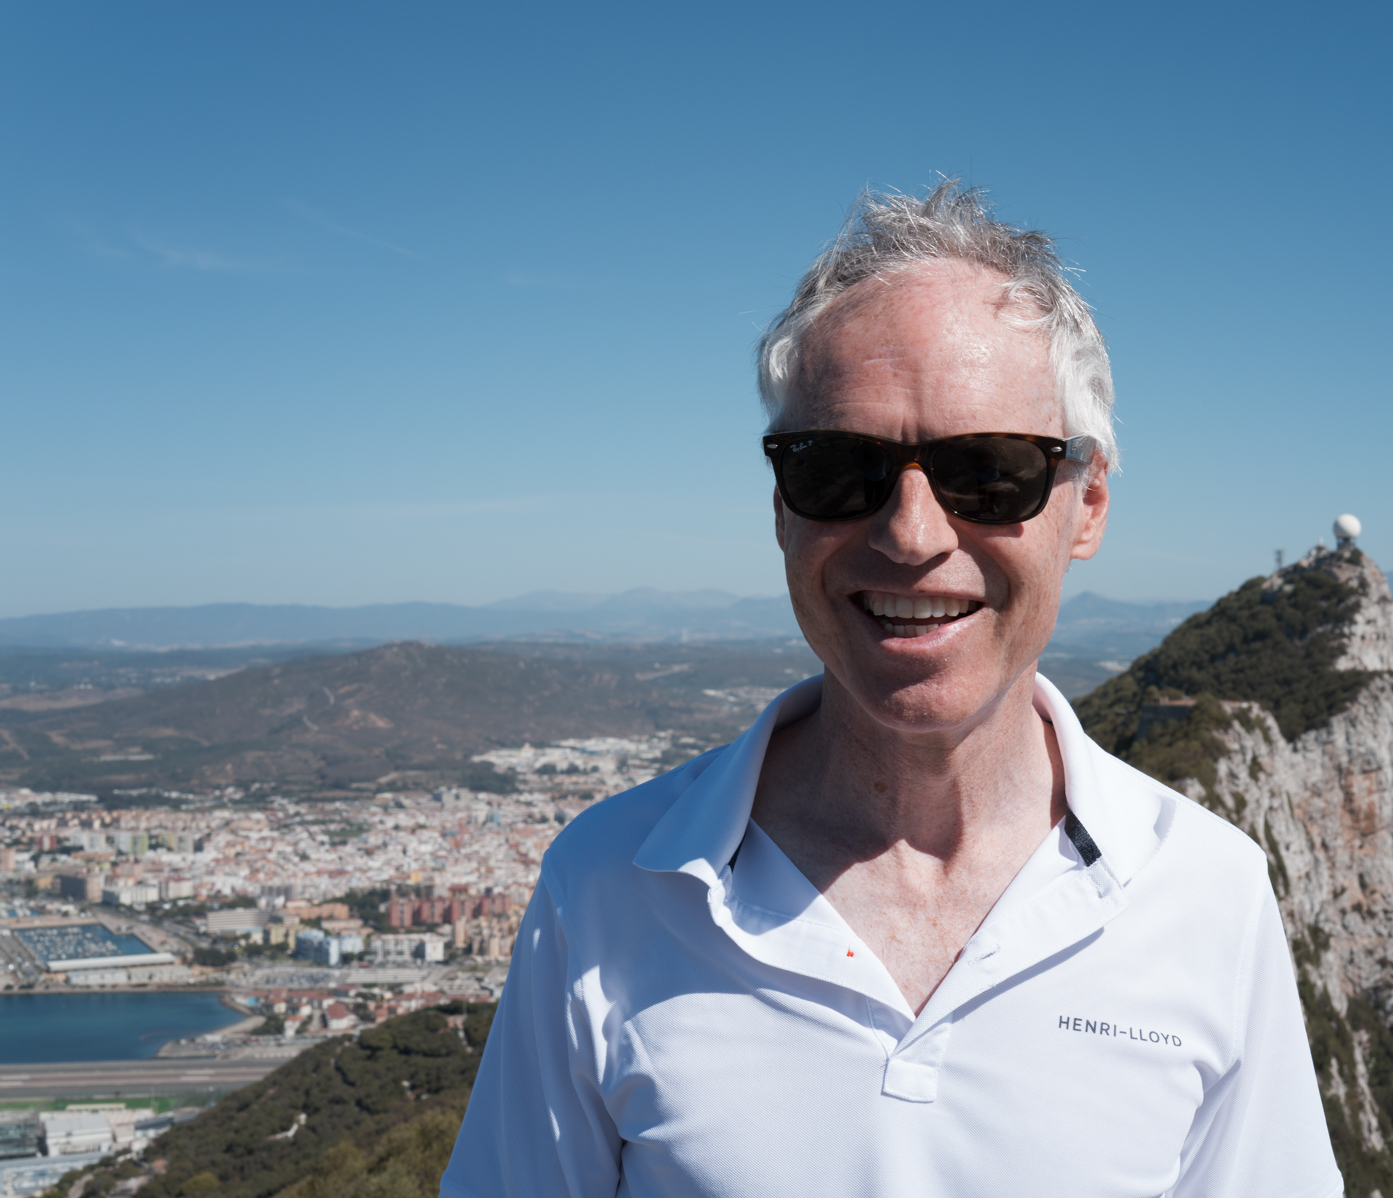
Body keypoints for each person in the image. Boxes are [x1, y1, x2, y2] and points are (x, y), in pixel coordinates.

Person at [440, 181, 1342, 1198]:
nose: (913, 534)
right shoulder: (607, 891)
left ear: (1085, 507)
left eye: (990, 471)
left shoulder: (1206, 896)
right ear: (785, 508)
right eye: (840, 469)